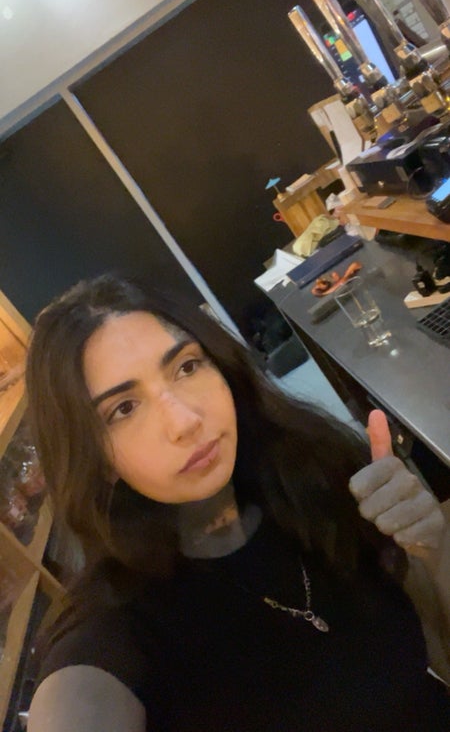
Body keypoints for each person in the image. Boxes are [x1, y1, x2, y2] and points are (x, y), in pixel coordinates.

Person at [25, 273, 449, 731]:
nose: (184, 421)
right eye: (124, 409)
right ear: (96, 459)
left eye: (186, 367)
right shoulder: (122, 629)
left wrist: (436, 549)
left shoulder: (311, 477)